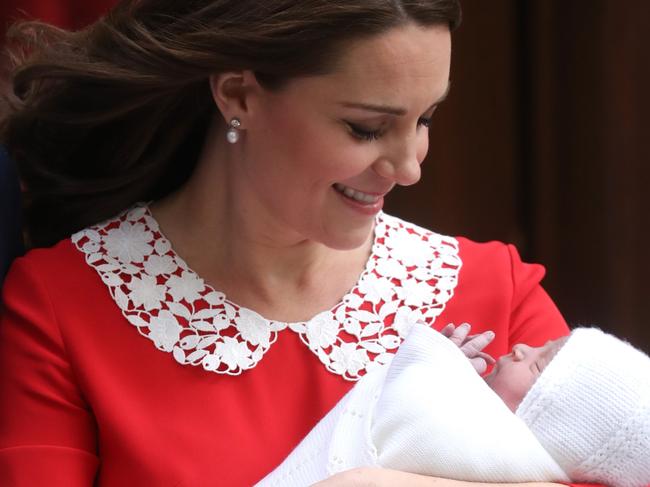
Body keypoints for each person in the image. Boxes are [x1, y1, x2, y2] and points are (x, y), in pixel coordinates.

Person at [0, 1, 604, 485]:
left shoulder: (495, 289)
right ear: (237, 95)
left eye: (424, 120)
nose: (410, 166)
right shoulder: (61, 306)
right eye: (366, 127)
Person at [259, 325, 650, 487]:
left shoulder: (498, 456)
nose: (521, 347)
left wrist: (430, 368)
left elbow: (410, 410)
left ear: (557, 424)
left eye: (539, 363)